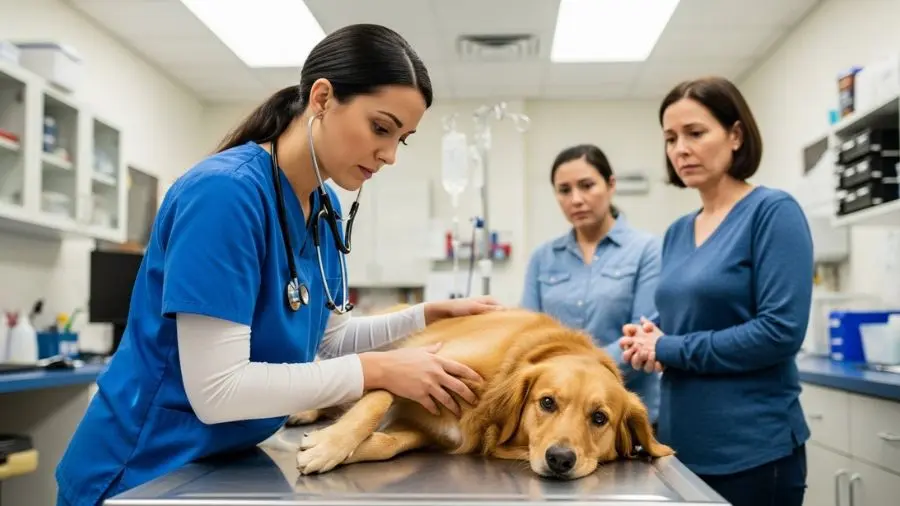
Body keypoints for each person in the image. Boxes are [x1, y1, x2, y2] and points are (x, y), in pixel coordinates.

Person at [55, 24, 503, 506]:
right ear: (323, 98)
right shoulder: (225, 195)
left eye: (403, 139)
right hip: (141, 470)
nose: (390, 155)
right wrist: (377, 370)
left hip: (217, 464)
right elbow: (219, 390)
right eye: (381, 128)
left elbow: (327, 340)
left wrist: (424, 316)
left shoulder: (322, 205)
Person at [619, 76, 812, 506]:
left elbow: (780, 332)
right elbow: (689, 317)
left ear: (736, 135)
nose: (680, 149)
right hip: (682, 448)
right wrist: (648, 339)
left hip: (754, 452)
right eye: (670, 138)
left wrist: (668, 347)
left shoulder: (772, 213)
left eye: (695, 133)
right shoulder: (677, 232)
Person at [521, 144, 661, 424]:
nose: (576, 199)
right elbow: (528, 337)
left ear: (610, 185)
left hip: (624, 414)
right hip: (559, 419)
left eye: (587, 186)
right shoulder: (543, 258)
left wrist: (569, 370)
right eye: (564, 190)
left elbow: (640, 340)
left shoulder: (647, 250)